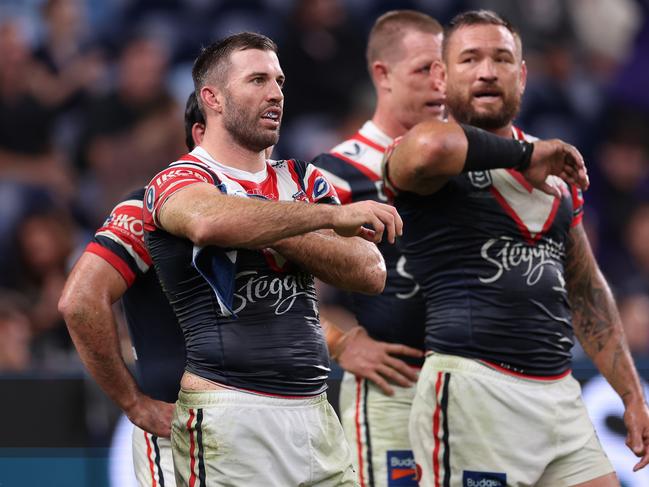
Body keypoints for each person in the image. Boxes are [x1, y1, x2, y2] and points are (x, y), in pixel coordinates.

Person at [383, 10, 649, 486]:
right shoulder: (427, 153)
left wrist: (632, 395)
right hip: (474, 392)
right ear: (441, 77)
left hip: (559, 394)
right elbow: (430, 147)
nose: (487, 70)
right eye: (470, 59)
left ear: (522, 76)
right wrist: (527, 155)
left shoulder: (559, 178)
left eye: (502, 58)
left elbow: (587, 291)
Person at [142, 32, 402, 486]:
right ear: (213, 98)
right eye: (257, 80)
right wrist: (317, 220)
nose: (276, 93)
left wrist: (268, 223)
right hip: (229, 417)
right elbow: (208, 222)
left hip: (314, 412)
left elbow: (369, 271)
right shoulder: (178, 178)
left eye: (279, 81)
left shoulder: (299, 178)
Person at [312, 10, 444, 487]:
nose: (440, 84)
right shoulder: (336, 173)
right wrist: (341, 343)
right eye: (424, 69)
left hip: (469, 389)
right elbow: (271, 283)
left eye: (444, 69)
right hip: (392, 389)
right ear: (382, 75)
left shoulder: (464, 167)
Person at [59, 92, 206, 487]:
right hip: (175, 422)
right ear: (198, 134)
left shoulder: (273, 205)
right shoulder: (143, 208)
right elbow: (79, 301)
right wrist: (132, 401)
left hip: (270, 424)